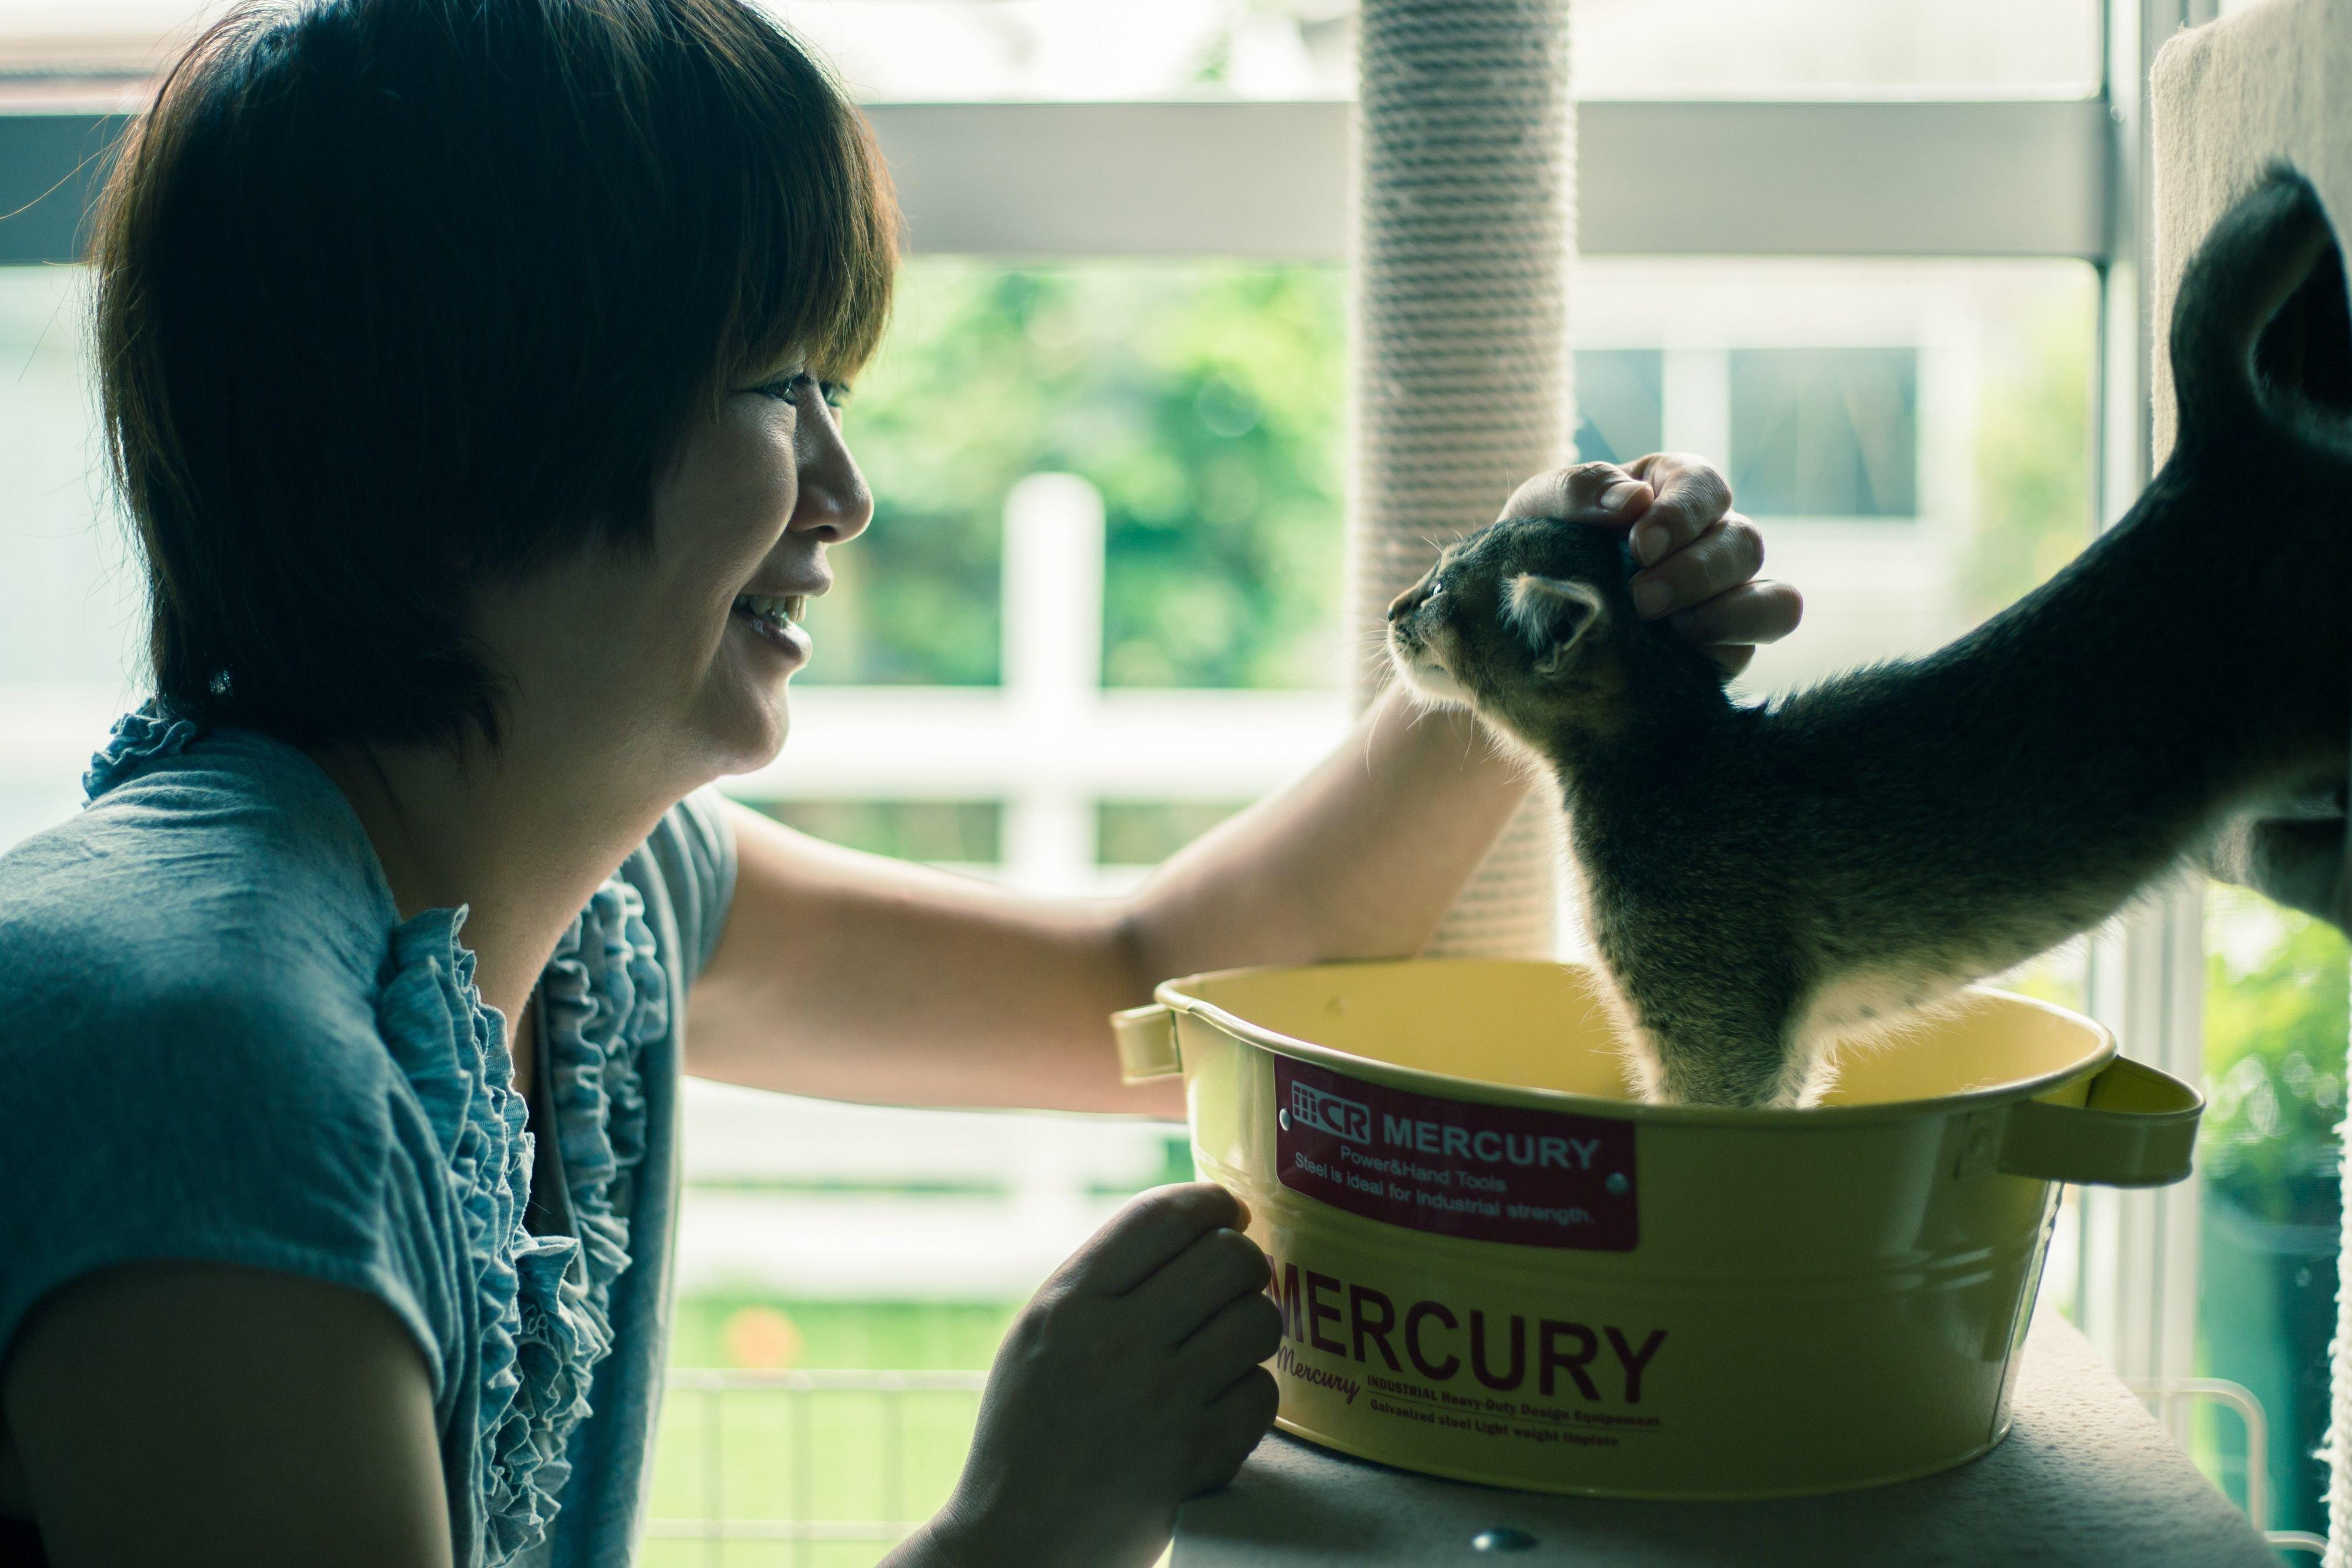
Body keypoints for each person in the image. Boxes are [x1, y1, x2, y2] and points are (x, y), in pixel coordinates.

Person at [0, 2, 1800, 1566]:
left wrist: (1538, 631)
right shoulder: (203, 1053)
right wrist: (1017, 1532)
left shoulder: (607, 900)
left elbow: (1149, 971)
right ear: (477, 414)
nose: (842, 490)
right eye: (779, 388)